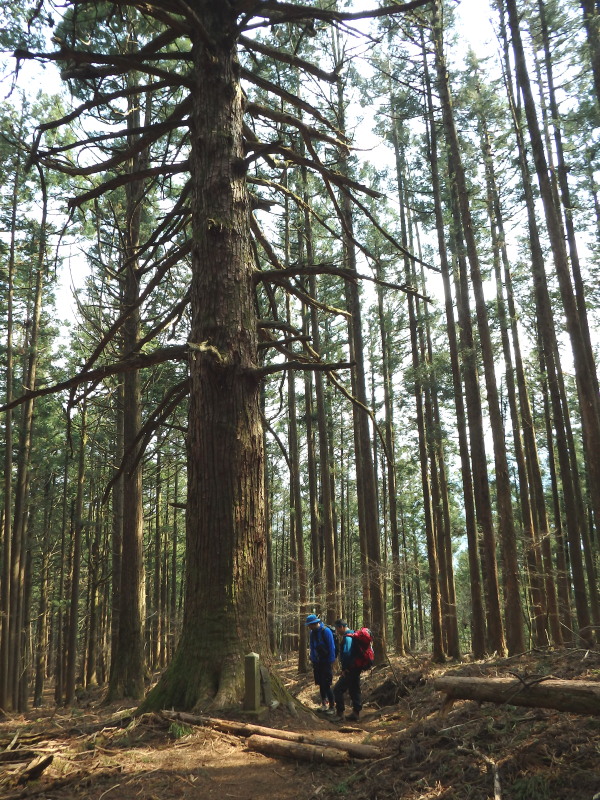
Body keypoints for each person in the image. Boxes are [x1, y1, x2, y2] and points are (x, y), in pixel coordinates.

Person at [305, 613, 336, 714]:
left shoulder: (326, 631)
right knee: (320, 684)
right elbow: (312, 647)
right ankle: (324, 704)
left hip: (326, 662)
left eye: (310, 625)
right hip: (317, 663)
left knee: (326, 684)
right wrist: (313, 659)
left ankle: (332, 706)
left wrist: (331, 661)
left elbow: (332, 647)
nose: (309, 627)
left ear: (314, 623)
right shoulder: (312, 633)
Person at [333, 619, 362, 721]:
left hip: (351, 669)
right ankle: (356, 713)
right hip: (356, 668)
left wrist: (345, 669)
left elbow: (346, 654)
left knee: (337, 689)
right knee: (354, 689)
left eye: (337, 628)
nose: (337, 631)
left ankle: (340, 714)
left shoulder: (348, 638)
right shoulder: (353, 634)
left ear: (341, 627)